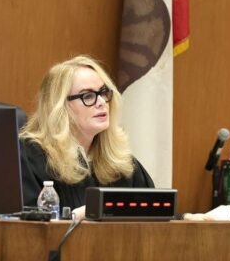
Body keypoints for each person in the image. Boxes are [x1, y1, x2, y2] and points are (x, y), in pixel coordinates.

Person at [20, 55, 155, 212]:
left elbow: (155, 215)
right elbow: (24, 222)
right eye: (88, 96)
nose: (102, 102)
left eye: (103, 92)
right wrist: (77, 217)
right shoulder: (30, 156)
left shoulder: (120, 161)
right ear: (59, 107)